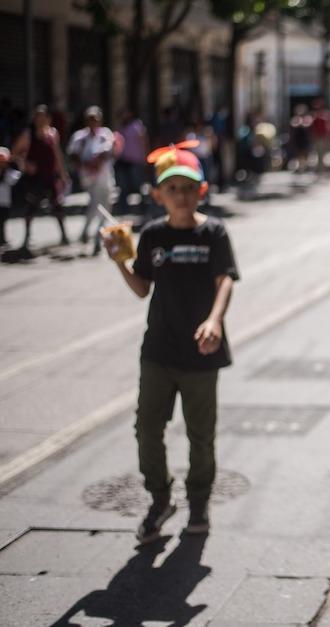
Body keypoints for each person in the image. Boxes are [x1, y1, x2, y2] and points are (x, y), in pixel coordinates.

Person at [101, 141, 239, 544]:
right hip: (158, 351)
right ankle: (160, 498)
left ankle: (198, 502)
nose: (180, 195)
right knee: (147, 429)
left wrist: (215, 320)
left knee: (201, 434)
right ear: (158, 194)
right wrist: (120, 263)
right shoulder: (153, 235)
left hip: (202, 353)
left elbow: (225, 279)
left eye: (187, 188)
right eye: (171, 188)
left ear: (202, 191)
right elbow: (142, 288)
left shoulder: (213, 232)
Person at [20, 105, 70, 250]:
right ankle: (26, 239)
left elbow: (57, 155)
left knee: (58, 205)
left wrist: (62, 173)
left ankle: (64, 236)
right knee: (31, 207)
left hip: (50, 176)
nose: (41, 121)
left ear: (48, 119)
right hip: (35, 178)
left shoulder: (52, 133)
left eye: (43, 118)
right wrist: (26, 164)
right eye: (38, 118)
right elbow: (16, 153)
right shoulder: (28, 134)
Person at [68, 106, 116, 255]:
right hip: (88, 178)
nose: (93, 122)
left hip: (104, 176)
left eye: (95, 119)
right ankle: (93, 236)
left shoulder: (105, 134)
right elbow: (73, 155)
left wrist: (97, 161)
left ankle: (93, 234)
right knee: (96, 205)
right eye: (90, 119)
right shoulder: (79, 137)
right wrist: (86, 165)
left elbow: (108, 151)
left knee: (105, 205)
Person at [114, 109, 149, 214]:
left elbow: (144, 142)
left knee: (139, 185)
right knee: (123, 187)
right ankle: (123, 210)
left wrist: (145, 158)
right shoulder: (120, 128)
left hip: (136, 161)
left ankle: (143, 207)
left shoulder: (137, 126)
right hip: (123, 162)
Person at [0, 146, 22, 247]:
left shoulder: (8, 172)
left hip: (5, 201)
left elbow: (15, 178)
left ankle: (3, 239)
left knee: (3, 220)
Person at [310, 97, 330, 174]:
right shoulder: (314, 115)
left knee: (323, 154)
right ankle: (320, 169)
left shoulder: (326, 114)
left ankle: (322, 169)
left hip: (324, 137)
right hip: (318, 137)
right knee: (319, 154)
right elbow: (312, 128)